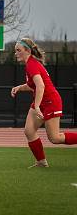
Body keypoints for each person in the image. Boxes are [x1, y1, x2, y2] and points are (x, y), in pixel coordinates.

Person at [11, 38, 77, 168]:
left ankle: (41, 161)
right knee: (29, 131)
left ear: (27, 50)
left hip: (51, 101)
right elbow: (33, 86)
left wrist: (36, 106)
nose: (16, 53)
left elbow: (40, 86)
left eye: (18, 50)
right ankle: (41, 162)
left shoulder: (32, 64)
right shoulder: (30, 63)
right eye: (15, 51)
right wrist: (19, 87)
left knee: (55, 138)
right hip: (42, 102)